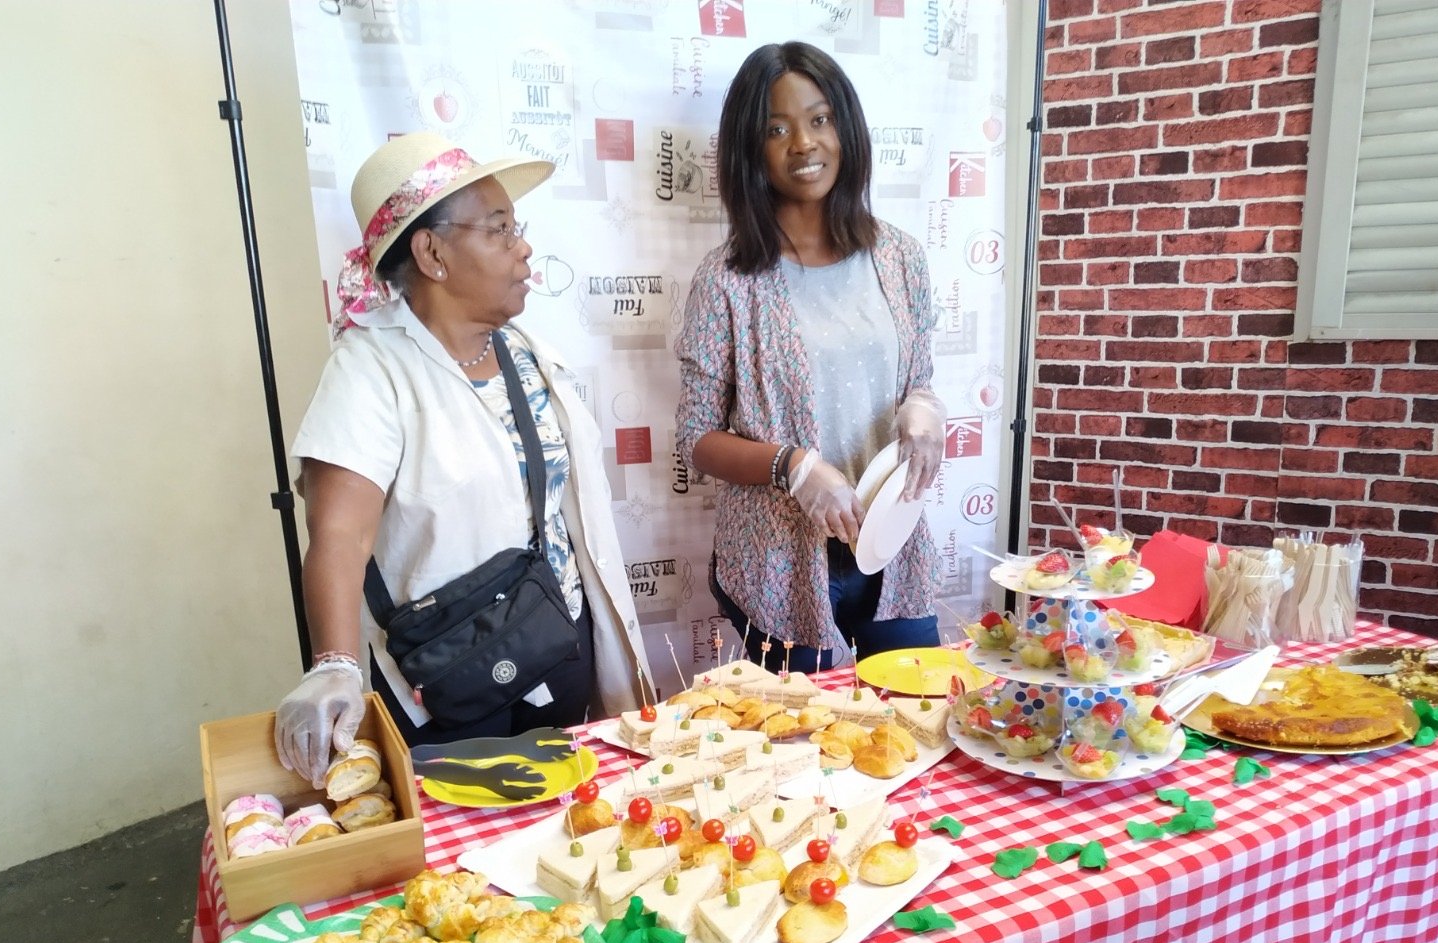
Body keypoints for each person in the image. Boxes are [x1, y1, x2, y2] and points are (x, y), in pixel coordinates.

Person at [275, 132, 650, 786]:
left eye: (516, 228)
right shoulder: (369, 371)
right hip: (449, 682)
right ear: (432, 253)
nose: (523, 247)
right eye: (499, 229)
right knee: (464, 840)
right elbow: (339, 533)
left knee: (569, 822)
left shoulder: (526, 352)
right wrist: (333, 664)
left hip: (559, 647)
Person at [674, 41, 944, 675]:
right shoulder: (727, 280)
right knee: (808, 733)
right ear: (751, 149)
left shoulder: (901, 258)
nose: (803, 143)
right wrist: (792, 466)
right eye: (777, 129)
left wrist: (924, 408)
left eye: (820, 119)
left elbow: (918, 379)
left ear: (845, 128)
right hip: (779, 567)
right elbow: (696, 440)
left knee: (920, 713)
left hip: (892, 545)